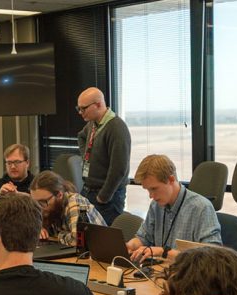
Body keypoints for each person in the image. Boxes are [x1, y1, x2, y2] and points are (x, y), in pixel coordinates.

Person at [125, 154, 221, 262]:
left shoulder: (201, 208)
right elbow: (144, 238)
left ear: (171, 179)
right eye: (148, 190)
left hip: (189, 275)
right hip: (159, 273)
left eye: (154, 189)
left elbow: (212, 257)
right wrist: (130, 245)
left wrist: (163, 252)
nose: (151, 196)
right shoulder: (155, 205)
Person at [77, 87, 131, 225]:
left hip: (107, 196)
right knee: (83, 235)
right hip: (89, 190)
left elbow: (119, 169)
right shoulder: (92, 124)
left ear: (99, 104)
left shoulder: (117, 127)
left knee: (102, 240)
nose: (81, 113)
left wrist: (104, 196)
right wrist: (86, 156)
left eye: (84, 108)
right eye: (79, 108)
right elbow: (81, 137)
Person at [30, 170, 105, 246]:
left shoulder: (75, 203)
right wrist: (39, 229)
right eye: (35, 202)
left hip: (101, 252)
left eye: (43, 202)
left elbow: (78, 240)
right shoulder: (46, 206)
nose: (39, 207)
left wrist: (59, 235)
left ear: (59, 195)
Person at [0, 143, 34, 207]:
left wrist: (19, 195)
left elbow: (43, 208)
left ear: (27, 163)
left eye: (17, 162)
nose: (12, 167)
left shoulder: (37, 184)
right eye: (9, 163)